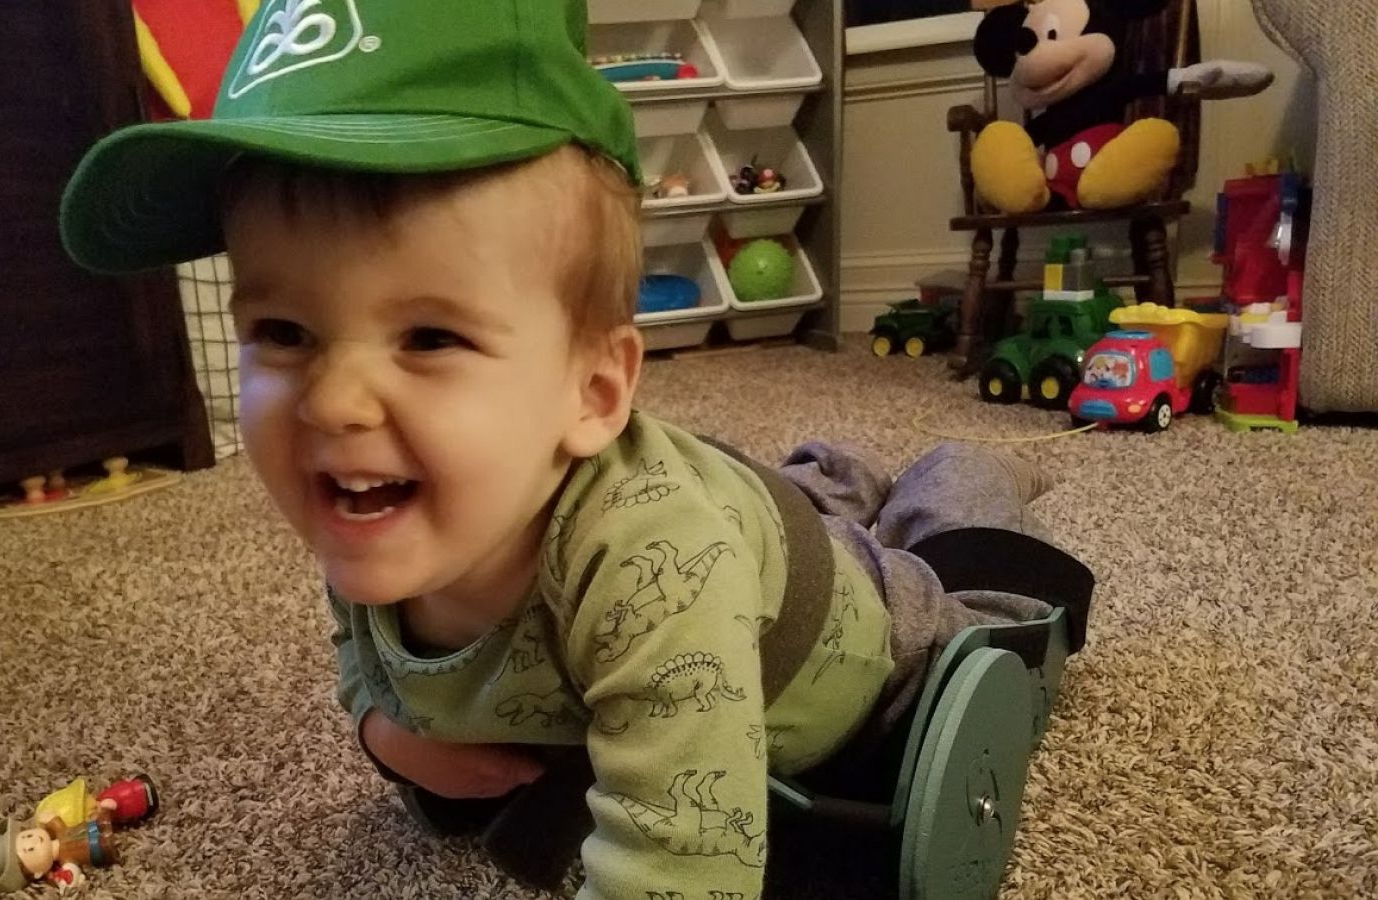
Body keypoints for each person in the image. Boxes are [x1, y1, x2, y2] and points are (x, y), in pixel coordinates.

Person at [58, 2, 1092, 897]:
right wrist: (386, 731)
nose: (330, 401)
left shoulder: (649, 562)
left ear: (591, 392)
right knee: (737, 522)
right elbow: (357, 644)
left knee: (989, 610)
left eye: (427, 336)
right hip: (717, 529)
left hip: (854, 628)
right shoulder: (375, 498)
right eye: (283, 332)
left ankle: (959, 471)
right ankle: (826, 479)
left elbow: (683, 855)